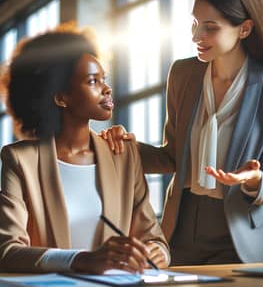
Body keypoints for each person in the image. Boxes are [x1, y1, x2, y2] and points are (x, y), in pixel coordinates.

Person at [101, 0, 263, 266]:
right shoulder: (182, 74)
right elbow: (171, 157)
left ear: (244, 29)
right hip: (181, 227)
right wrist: (122, 146)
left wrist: (252, 180)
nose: (196, 37)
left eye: (210, 28)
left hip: (242, 236)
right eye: (195, 24)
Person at [0, 26, 169, 273]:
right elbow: (7, 251)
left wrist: (157, 253)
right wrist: (81, 260)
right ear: (61, 97)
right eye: (93, 81)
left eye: (104, 79)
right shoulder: (19, 160)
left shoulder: (123, 154)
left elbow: (153, 238)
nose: (107, 88)